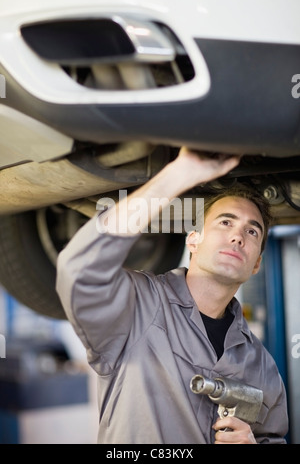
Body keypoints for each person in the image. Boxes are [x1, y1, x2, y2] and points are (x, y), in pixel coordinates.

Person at [56, 147, 289, 444]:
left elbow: (273, 438)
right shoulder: (138, 307)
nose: (237, 236)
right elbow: (79, 268)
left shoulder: (261, 364)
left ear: (256, 263)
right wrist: (181, 173)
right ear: (193, 240)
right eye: (225, 222)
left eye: (252, 232)